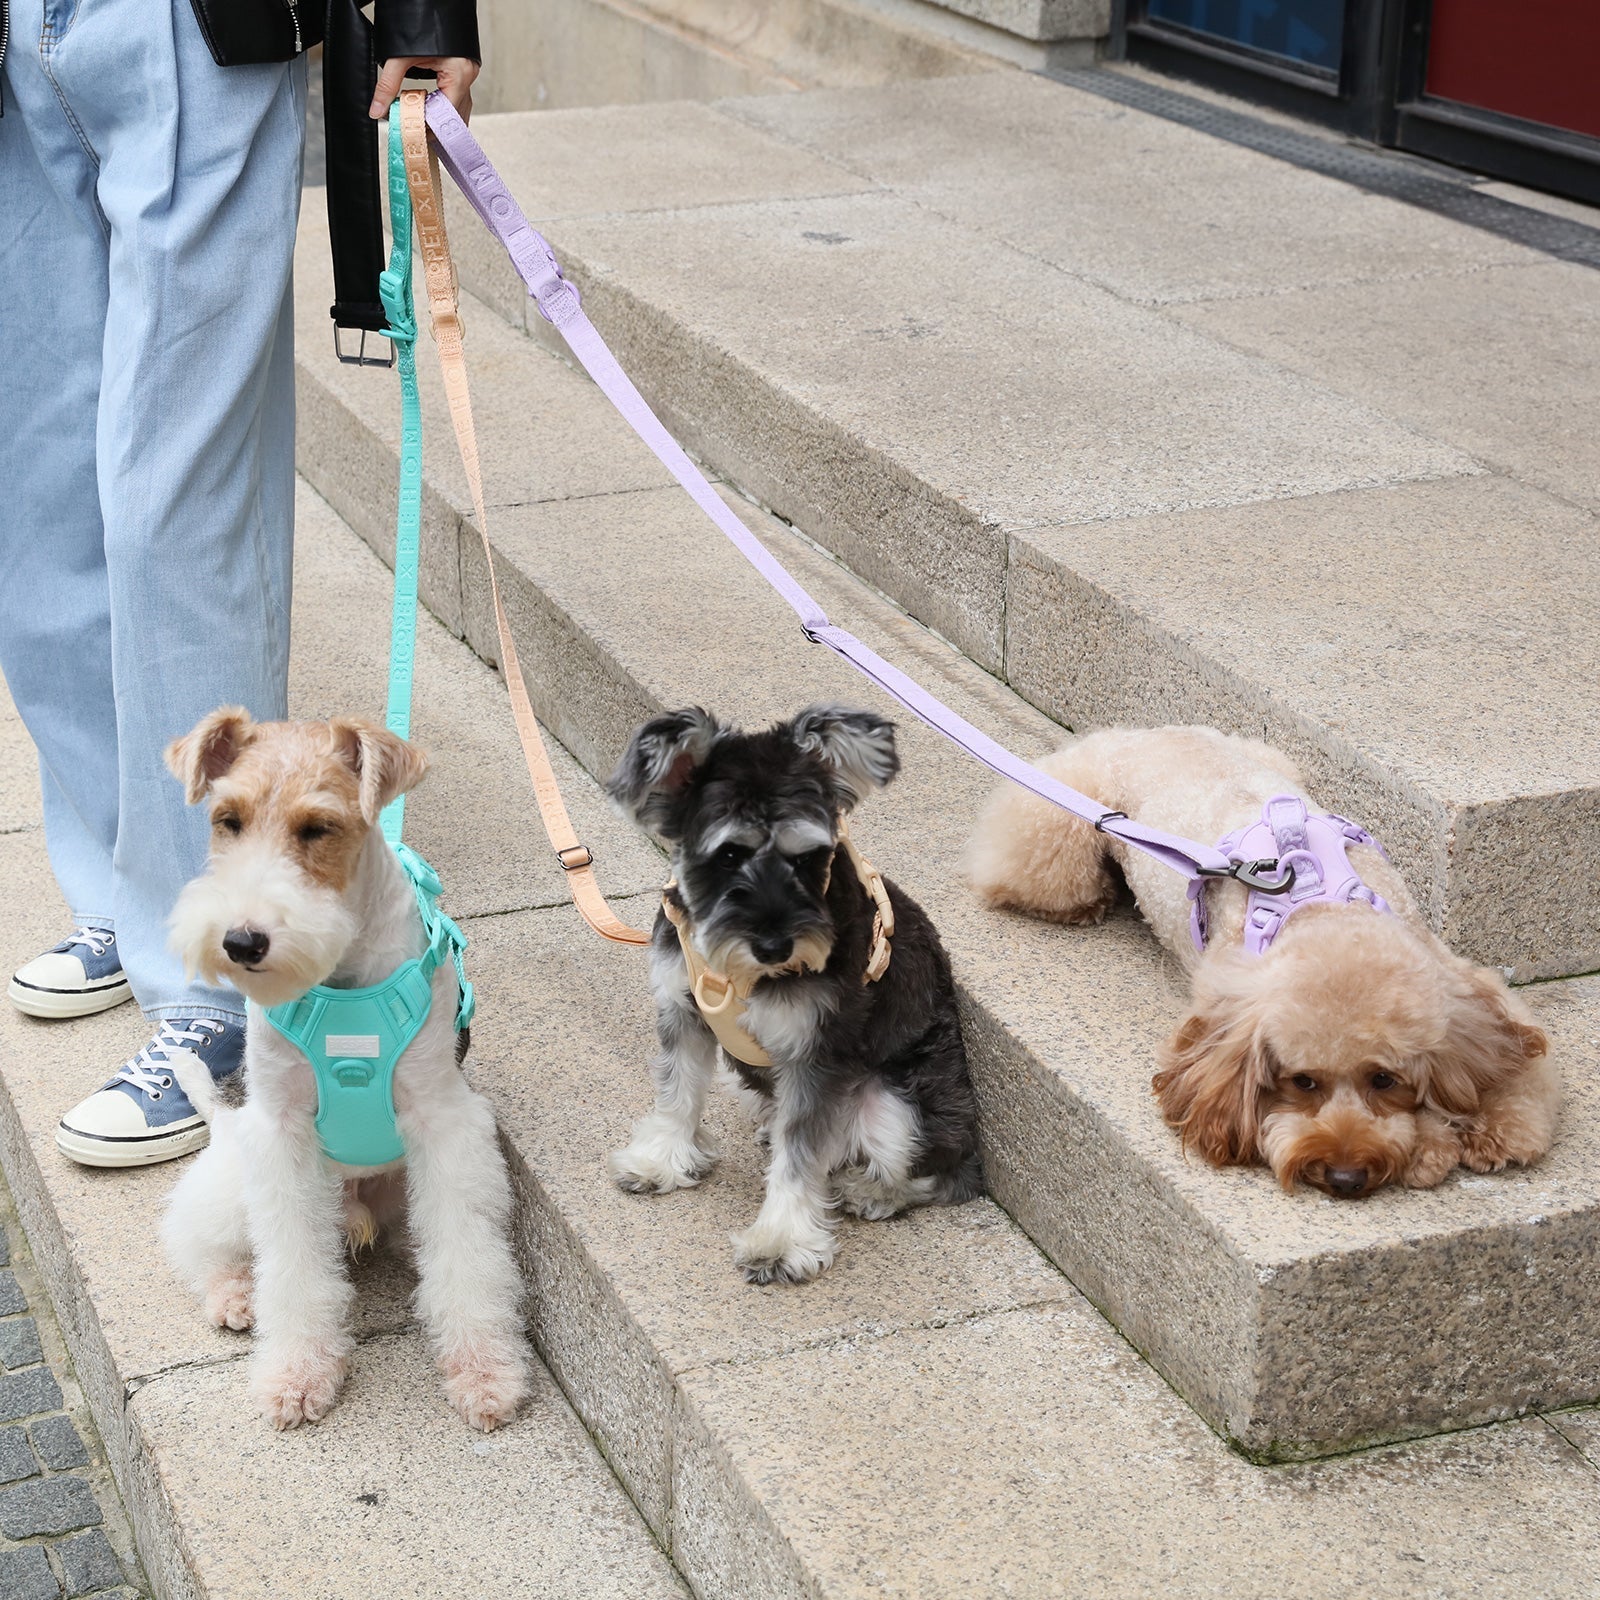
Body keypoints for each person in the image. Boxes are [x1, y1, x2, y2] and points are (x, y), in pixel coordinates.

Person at [0, 0, 479, 1166]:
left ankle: (222, 990)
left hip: (190, 26)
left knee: (175, 504)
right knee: (36, 494)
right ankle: (130, 886)